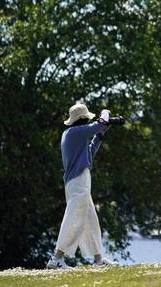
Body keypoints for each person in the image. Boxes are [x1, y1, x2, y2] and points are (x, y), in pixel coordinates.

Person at [46, 103, 116, 269]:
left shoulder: (74, 134)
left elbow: (89, 153)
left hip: (79, 181)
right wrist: (105, 114)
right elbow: (98, 124)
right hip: (78, 182)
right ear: (83, 119)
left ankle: (98, 259)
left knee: (90, 220)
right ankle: (56, 259)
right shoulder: (74, 133)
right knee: (73, 219)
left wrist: (99, 136)